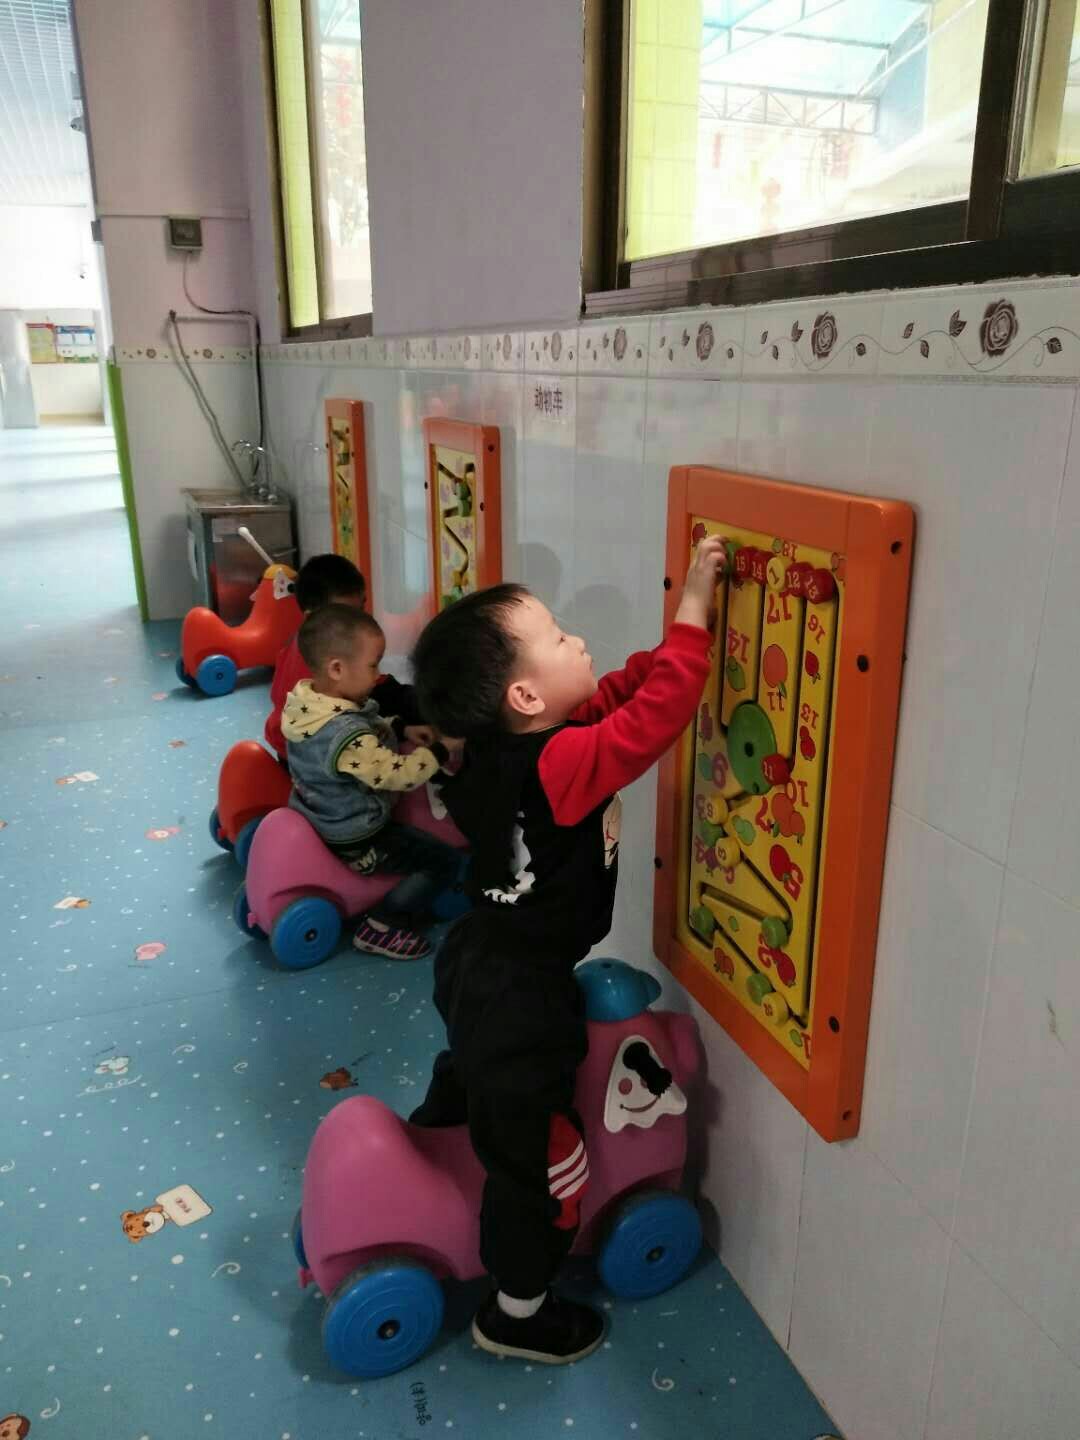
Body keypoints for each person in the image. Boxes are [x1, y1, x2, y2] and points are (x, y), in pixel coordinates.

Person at [408, 537, 725, 1365]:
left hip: (477, 955)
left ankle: (446, 1124)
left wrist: (664, 652)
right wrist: (693, 613)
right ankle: (516, 1310)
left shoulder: (502, 746)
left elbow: (612, 695)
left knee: (478, 1064)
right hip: (522, 991)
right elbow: (651, 720)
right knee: (543, 1166)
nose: (577, 640)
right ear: (524, 694)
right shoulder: (563, 764)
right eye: (557, 637)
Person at [282, 603, 462, 960]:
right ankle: (383, 925)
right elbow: (399, 776)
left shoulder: (306, 703)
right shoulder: (345, 734)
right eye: (373, 665)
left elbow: (364, 726)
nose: (378, 675)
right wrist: (442, 750)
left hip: (319, 815)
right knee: (442, 861)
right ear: (337, 669)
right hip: (358, 836)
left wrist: (400, 728)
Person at [265, 553, 420, 765]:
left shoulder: (305, 639)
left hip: (293, 746)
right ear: (312, 618)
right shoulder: (322, 664)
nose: (359, 622)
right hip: (310, 761)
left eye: (361, 609)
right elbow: (363, 707)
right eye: (344, 614)